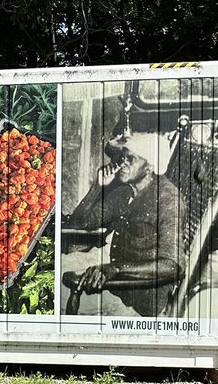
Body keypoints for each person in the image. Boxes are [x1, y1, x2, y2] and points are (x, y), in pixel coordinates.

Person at [65, 133, 186, 316]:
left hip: (131, 295)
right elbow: (79, 223)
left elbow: (172, 266)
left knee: (58, 290)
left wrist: (116, 268)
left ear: (150, 166)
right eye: (122, 158)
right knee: (56, 269)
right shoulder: (125, 192)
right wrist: (98, 186)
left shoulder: (168, 200)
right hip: (106, 266)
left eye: (131, 159)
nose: (122, 164)